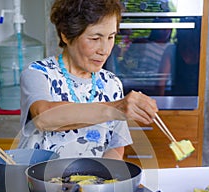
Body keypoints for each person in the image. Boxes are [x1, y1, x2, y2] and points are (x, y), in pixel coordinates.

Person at [19, 0, 158, 160]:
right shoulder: (38, 73)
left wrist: (102, 181)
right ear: (66, 34)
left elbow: (115, 147)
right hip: (37, 182)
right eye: (95, 38)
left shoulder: (111, 84)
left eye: (111, 37)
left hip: (88, 183)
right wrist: (116, 108)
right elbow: (43, 117)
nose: (105, 50)